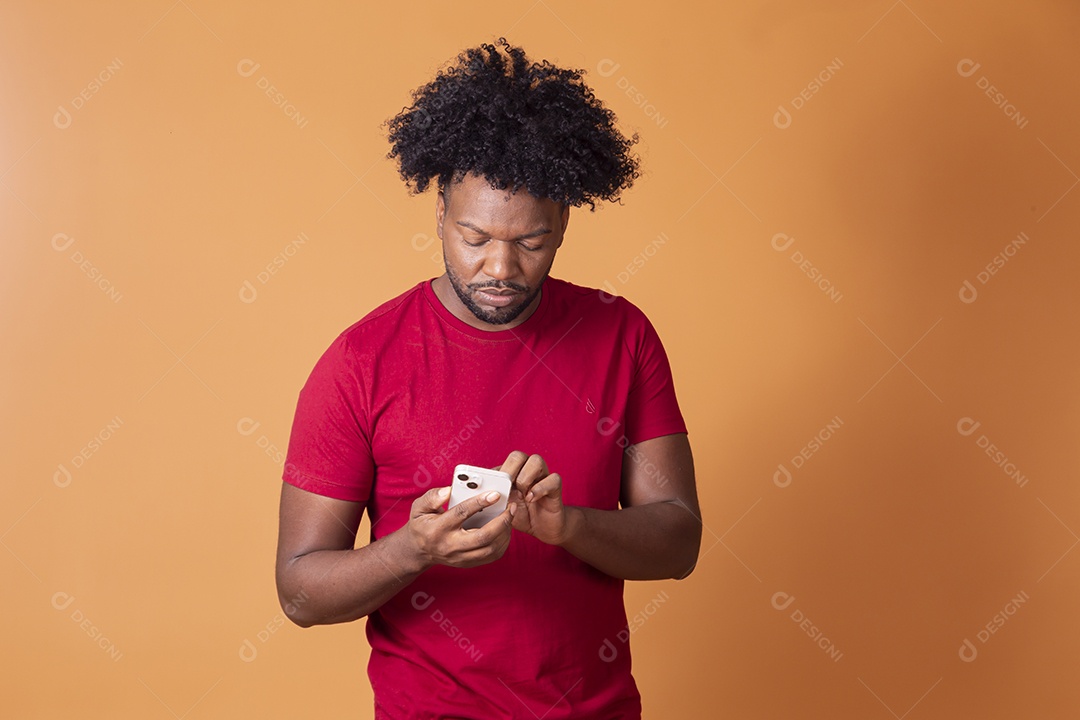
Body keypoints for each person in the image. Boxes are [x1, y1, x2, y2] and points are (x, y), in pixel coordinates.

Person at [275, 38, 701, 719]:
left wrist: (569, 528)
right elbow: (298, 591)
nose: (500, 268)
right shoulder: (362, 361)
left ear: (563, 220)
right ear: (439, 211)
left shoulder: (623, 337)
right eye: (475, 238)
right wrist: (411, 550)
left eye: (529, 242)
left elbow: (679, 540)